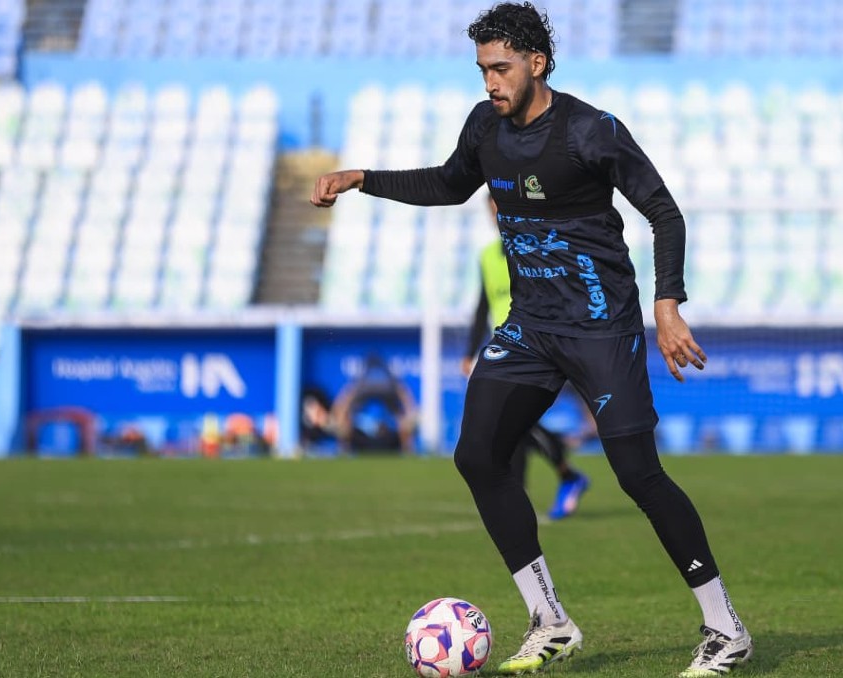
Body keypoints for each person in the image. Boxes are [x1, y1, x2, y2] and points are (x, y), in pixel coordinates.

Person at [309, 3, 752, 675]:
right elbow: (449, 184)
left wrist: (668, 307)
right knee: (478, 455)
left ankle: (726, 628)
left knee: (638, 475)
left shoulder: (589, 131)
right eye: (482, 69)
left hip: (602, 326)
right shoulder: (486, 126)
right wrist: (362, 179)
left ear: (536, 63)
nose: (489, 81)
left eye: (500, 67)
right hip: (530, 328)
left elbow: (664, 211)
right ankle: (550, 620)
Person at [463, 198, 592, 521]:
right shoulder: (488, 256)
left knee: (513, 422)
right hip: (505, 350)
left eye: (499, 207)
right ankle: (551, 483)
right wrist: (469, 352)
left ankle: (556, 481)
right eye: (490, 210)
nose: (495, 215)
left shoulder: (535, 247)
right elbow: (483, 305)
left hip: (541, 346)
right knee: (512, 425)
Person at [332, 353, 418, 454]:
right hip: (373, 391)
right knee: (343, 417)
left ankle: (407, 448)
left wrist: (338, 412)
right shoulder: (365, 380)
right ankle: (408, 448)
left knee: (403, 418)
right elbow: (403, 392)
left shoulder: (379, 379)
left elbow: (347, 395)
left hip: (383, 391)